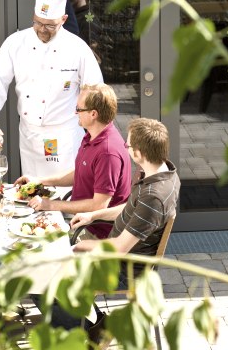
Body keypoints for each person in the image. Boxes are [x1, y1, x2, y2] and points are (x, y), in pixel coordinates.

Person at [45, 118, 180, 337]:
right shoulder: (162, 172)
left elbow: (118, 248)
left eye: (128, 146)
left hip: (126, 268)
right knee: (47, 266)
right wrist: (93, 215)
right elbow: (130, 207)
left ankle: (87, 336)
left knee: (47, 275)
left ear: (139, 153)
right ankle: (96, 326)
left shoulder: (153, 197)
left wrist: (82, 246)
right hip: (121, 254)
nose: (124, 148)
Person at [0, 0, 103, 177]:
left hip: (65, 135)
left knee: (66, 197)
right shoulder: (15, 43)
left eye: (50, 25)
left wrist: (96, 134)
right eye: (38, 23)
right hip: (31, 136)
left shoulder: (77, 49)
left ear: (63, 19)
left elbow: (96, 91)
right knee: (34, 193)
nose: (42, 30)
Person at [16, 83, 131, 238]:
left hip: (97, 233)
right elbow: (81, 173)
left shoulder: (108, 152)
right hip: (81, 223)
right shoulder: (92, 135)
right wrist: (39, 181)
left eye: (79, 109)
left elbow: (99, 205)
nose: (75, 112)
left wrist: (50, 205)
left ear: (93, 114)